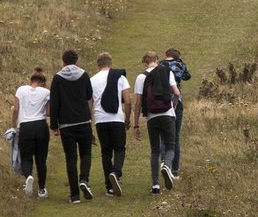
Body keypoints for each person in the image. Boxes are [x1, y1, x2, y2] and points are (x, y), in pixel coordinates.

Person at [132, 51, 180, 194]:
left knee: (154, 150)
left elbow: (138, 103)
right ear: (157, 60)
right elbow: (176, 93)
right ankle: (166, 165)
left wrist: (135, 124)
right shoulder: (166, 71)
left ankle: (155, 185)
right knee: (170, 146)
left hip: (152, 117)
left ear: (145, 62)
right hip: (167, 114)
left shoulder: (141, 77)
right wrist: (174, 106)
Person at [50, 49, 94, 203]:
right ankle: (84, 179)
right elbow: (89, 95)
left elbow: (54, 103)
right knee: (86, 154)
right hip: (83, 120)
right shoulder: (84, 75)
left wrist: (54, 124)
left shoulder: (57, 78)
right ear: (77, 60)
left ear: (63, 61)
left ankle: (74, 195)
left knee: (71, 157)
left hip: (66, 124)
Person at [90, 52, 132, 197]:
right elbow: (127, 100)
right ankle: (116, 173)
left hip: (100, 120)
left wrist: (90, 123)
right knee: (120, 149)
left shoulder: (92, 80)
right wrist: (127, 119)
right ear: (111, 63)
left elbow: (89, 104)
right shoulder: (120, 77)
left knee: (106, 152)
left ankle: (109, 186)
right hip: (117, 118)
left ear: (98, 65)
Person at [11, 66, 50, 199]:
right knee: (41, 158)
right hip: (40, 126)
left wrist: (13, 126)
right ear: (43, 82)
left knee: (26, 157)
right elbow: (49, 112)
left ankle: (28, 177)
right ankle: (42, 189)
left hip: (25, 127)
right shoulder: (46, 92)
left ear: (31, 80)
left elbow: (15, 109)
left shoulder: (21, 90)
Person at [159, 48, 192, 179]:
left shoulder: (159, 65)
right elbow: (187, 76)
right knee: (175, 137)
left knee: (163, 136)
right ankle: (175, 170)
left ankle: (164, 163)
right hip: (176, 102)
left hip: (161, 102)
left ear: (165, 55)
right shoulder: (180, 65)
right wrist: (181, 62)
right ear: (177, 57)